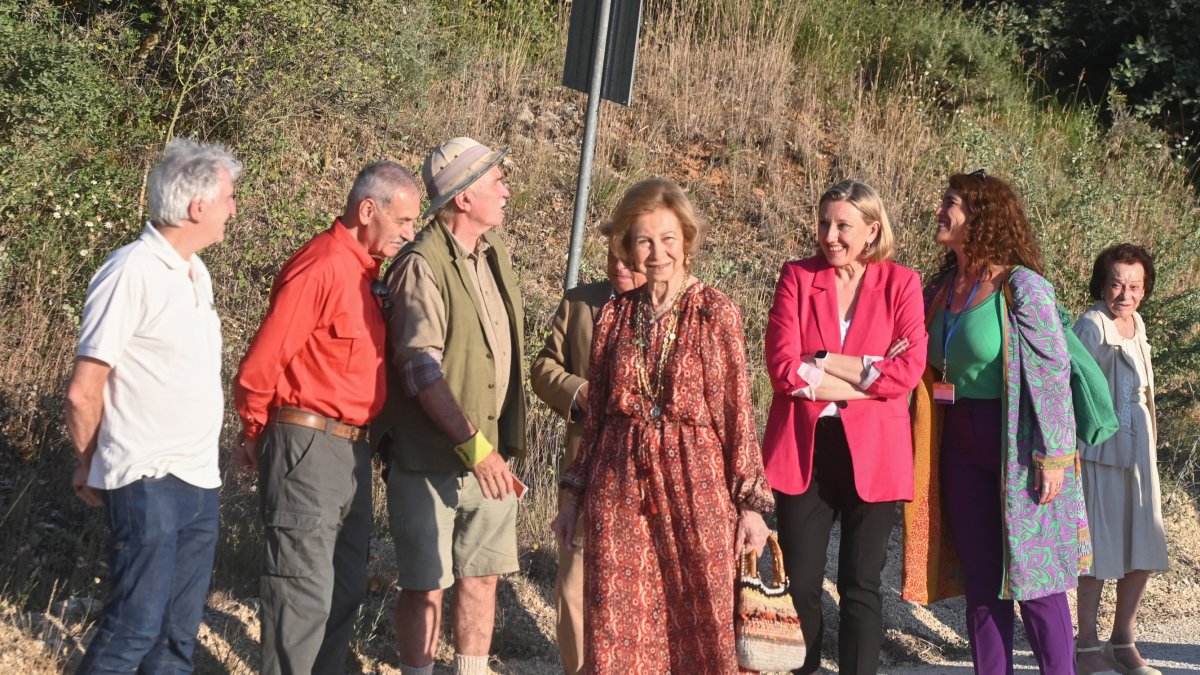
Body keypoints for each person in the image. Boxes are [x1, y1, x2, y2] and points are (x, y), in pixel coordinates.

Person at [551, 177, 773, 674]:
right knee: (617, 626)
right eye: (643, 240)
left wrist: (751, 506)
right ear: (627, 245)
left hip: (697, 490)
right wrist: (573, 499)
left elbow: (737, 415)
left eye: (667, 238)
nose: (656, 252)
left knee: (702, 626)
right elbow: (600, 416)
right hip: (619, 491)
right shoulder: (613, 316)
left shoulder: (715, 312)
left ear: (687, 240)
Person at [233, 161, 420, 674]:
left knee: (343, 589)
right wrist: (255, 432)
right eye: (403, 221)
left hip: (351, 449)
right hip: (307, 444)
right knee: (301, 595)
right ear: (367, 210)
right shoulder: (320, 266)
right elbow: (259, 368)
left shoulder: (366, 275)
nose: (410, 233)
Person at [903, 170, 1091, 675]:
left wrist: (1055, 456)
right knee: (983, 583)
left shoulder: (1022, 287)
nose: (940, 211)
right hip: (957, 440)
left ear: (981, 216)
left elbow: (1051, 374)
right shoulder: (939, 289)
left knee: (1036, 580)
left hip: (1020, 442)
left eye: (951, 203)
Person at [65, 138, 240, 672]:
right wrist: (92, 461)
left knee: (174, 640)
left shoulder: (195, 273)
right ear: (197, 206)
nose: (234, 209)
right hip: (145, 478)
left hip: (198, 481)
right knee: (132, 630)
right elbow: (83, 389)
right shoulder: (129, 271)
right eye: (229, 197)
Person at [371, 137, 525, 675]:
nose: (506, 191)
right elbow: (419, 369)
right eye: (497, 181)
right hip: (431, 457)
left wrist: (493, 448)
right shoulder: (420, 263)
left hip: (489, 454)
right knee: (425, 586)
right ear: (463, 197)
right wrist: (475, 447)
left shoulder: (493, 254)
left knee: (482, 578)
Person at [761, 179, 927, 675]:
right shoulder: (796, 277)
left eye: (842, 226)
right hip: (804, 448)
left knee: (860, 586)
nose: (829, 236)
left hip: (875, 453)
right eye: (823, 223)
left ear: (872, 231)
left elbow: (906, 372)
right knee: (802, 583)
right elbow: (783, 370)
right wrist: (868, 376)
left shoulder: (903, 284)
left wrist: (826, 360)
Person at [530, 224, 646, 675]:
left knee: (633, 588)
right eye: (611, 254)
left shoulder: (674, 311)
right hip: (583, 468)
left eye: (627, 258)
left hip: (644, 474)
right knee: (573, 583)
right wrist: (575, 392)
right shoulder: (580, 302)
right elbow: (543, 367)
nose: (617, 265)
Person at [1073, 244, 1168, 675]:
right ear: (1103, 283)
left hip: (1140, 452)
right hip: (1099, 452)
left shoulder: (1138, 322)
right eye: (1116, 283)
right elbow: (1072, 388)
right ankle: (1086, 645)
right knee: (1099, 550)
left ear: (1144, 290)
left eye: (1134, 286)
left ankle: (1123, 641)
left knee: (1143, 545)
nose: (1124, 294)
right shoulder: (1091, 325)